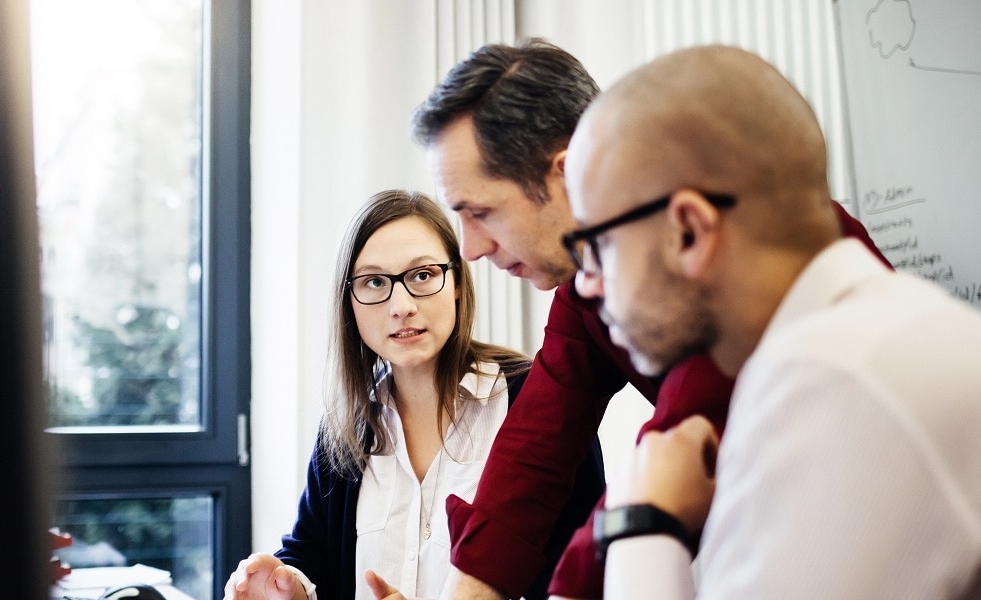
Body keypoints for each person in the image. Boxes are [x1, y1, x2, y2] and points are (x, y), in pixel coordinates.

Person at [411, 39, 888, 599]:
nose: (468, 248)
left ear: (567, 175)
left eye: (482, 211)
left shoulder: (726, 249)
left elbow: (680, 441)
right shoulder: (589, 277)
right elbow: (536, 445)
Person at [563, 44, 981, 599]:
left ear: (688, 231)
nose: (586, 282)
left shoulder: (834, 381)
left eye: (597, 244)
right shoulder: (867, 341)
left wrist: (645, 519)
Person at [223, 190, 579, 600]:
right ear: (349, 303)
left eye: (423, 275)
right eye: (374, 282)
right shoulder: (344, 428)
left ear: (458, 283)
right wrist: (287, 586)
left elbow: (580, 575)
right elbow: (312, 554)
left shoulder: (535, 399)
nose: (402, 305)